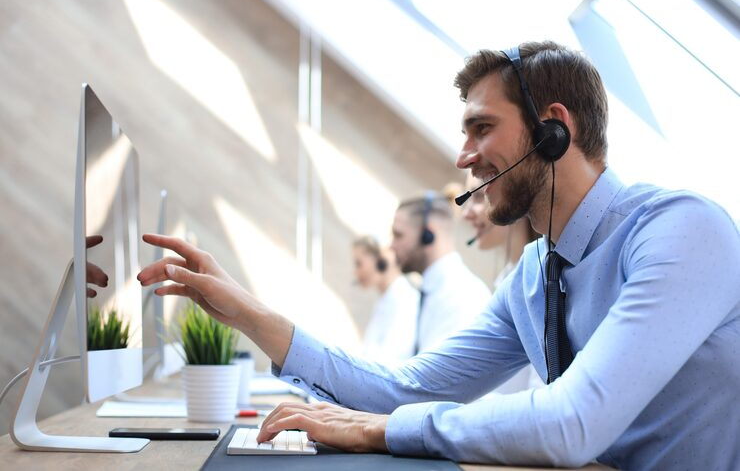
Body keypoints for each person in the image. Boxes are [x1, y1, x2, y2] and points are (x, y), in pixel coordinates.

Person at [138, 41, 740, 468]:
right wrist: (246, 313)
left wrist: (380, 432)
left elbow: (572, 425)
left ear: (554, 128)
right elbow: (406, 390)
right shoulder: (532, 279)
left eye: (481, 128)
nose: (463, 156)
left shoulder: (682, 231)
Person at [461, 174, 543, 394]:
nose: (466, 213)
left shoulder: (539, 286)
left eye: (478, 197)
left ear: (514, 198)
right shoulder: (508, 280)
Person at [390, 193, 491, 353]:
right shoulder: (431, 290)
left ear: (427, 236)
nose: (392, 246)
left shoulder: (463, 297)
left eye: (398, 235)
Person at [351, 236, 419, 365]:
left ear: (381, 262)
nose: (355, 272)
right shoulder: (387, 299)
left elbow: (390, 361)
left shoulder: (404, 299)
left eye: (359, 263)